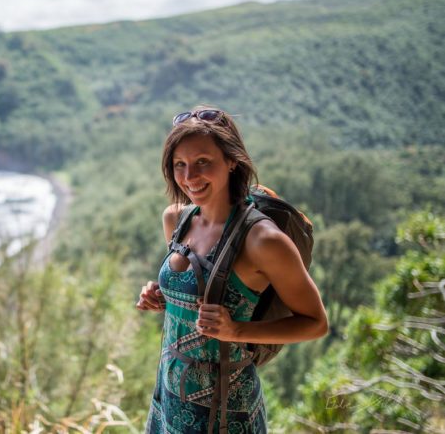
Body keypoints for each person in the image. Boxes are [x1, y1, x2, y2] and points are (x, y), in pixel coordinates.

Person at [136, 106, 329, 434]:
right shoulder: (176, 219)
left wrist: (236, 331)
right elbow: (199, 297)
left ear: (231, 161)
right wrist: (163, 296)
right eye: (179, 165)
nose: (189, 177)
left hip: (226, 410)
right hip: (169, 395)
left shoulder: (263, 240)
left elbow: (316, 324)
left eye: (202, 162)